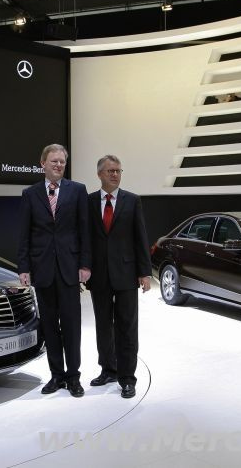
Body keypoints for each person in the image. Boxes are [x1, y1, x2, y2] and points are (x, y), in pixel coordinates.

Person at [17, 144, 91, 398]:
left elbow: (84, 230)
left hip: (69, 268)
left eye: (62, 161)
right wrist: (24, 267)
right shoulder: (30, 194)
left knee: (71, 325)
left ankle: (74, 376)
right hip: (42, 269)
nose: (59, 165)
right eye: (54, 161)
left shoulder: (78, 190)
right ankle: (56, 375)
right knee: (49, 325)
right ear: (43, 164)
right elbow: (24, 234)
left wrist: (85, 264)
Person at [87, 156, 152, 399]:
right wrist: (83, 267)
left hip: (126, 274)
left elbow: (140, 237)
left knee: (127, 328)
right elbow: (85, 238)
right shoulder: (89, 201)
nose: (115, 174)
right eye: (110, 171)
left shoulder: (132, 200)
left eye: (118, 171)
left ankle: (127, 379)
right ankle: (108, 370)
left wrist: (144, 272)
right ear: (100, 174)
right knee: (103, 326)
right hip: (99, 275)